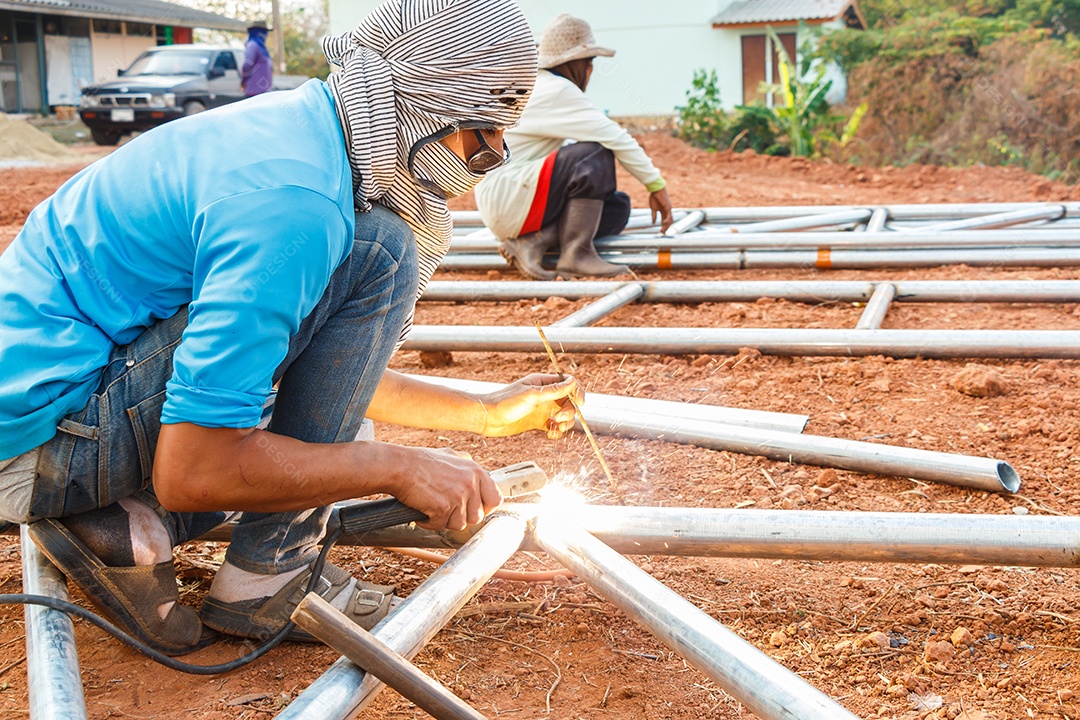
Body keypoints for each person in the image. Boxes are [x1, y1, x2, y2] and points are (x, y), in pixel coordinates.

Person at [0, 0, 569, 657]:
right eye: (483, 134)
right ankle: (269, 578)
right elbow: (195, 468)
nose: (486, 158)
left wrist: (486, 414)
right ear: (432, 105)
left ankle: (122, 525)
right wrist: (397, 467)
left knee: (329, 430)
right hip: (42, 450)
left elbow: (322, 378)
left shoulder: (303, 132)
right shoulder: (300, 206)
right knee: (378, 255)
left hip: (45, 424)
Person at [475, 13, 675, 280]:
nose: (590, 71)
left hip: (506, 201)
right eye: (588, 62)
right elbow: (615, 138)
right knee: (595, 154)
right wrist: (656, 186)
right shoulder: (556, 89)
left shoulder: (537, 85)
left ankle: (533, 242)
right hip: (510, 198)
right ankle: (577, 255)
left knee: (616, 208)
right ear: (574, 63)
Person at [241, 20, 273, 97]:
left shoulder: (261, 47)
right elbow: (247, 65)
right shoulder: (253, 45)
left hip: (264, 91)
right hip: (254, 92)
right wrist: (244, 81)